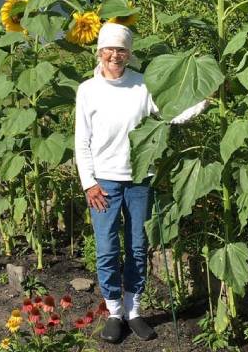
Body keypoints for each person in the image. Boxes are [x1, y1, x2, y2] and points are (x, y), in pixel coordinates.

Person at [74, 23, 209, 343]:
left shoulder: (142, 85)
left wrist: (204, 99)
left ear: (129, 54)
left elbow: (169, 115)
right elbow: (81, 141)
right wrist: (88, 183)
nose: (115, 55)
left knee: (136, 248)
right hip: (103, 182)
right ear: (99, 52)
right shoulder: (87, 90)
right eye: (109, 49)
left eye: (121, 50)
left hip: (139, 178)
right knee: (107, 249)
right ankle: (113, 312)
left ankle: (134, 311)